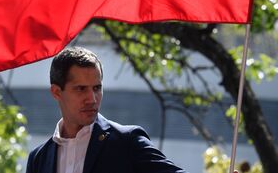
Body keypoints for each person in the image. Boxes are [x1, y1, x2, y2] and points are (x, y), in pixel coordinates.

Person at [26, 46, 188, 173]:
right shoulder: (39, 158)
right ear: (56, 92)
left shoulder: (127, 142)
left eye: (97, 88)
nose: (92, 99)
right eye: (81, 89)